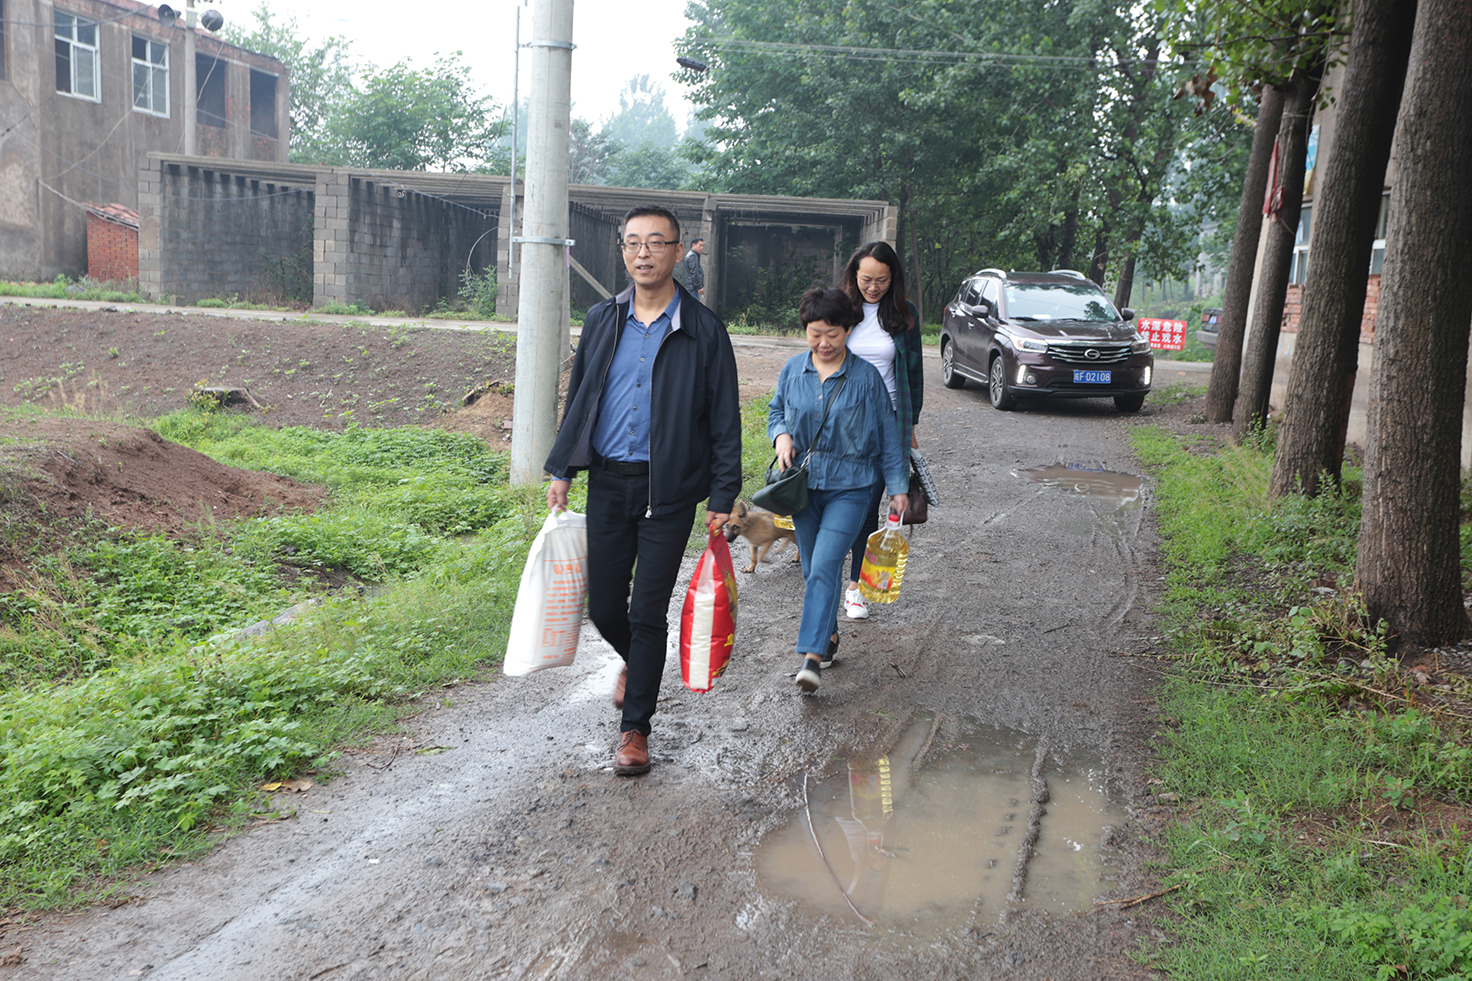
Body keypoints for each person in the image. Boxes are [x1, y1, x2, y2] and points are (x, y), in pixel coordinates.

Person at [544, 206, 741, 776]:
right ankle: (641, 664)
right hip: (608, 482)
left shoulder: (704, 330)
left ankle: (635, 731)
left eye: (656, 242)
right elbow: (580, 397)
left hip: (669, 491)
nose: (643, 253)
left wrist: (723, 496)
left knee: (647, 611)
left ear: (678, 251)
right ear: (623, 251)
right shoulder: (603, 319)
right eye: (633, 243)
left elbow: (724, 420)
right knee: (606, 606)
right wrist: (563, 468)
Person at [768, 288, 908, 693]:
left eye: (832, 333)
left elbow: (888, 435)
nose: (824, 342)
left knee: (826, 564)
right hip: (803, 486)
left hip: (852, 486)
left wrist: (897, 486)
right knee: (813, 568)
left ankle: (811, 657)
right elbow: (776, 411)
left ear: (848, 330)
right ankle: (828, 635)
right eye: (815, 334)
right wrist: (780, 436)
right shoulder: (793, 370)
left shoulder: (866, 378)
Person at [836, 241, 924, 626]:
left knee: (869, 506)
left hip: (887, 424)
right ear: (854, 276)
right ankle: (824, 572)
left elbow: (914, 376)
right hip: (841, 424)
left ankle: (855, 587)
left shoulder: (905, 315)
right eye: (867, 279)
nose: (873, 287)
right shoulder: (840, 309)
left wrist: (911, 427)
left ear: (894, 279)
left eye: (882, 281)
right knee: (838, 503)